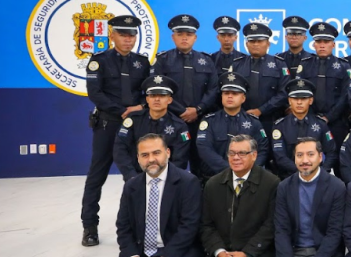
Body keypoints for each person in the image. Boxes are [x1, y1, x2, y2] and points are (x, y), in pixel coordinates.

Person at [81, 15, 151, 247]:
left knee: (137, 176)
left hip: (135, 127)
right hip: (108, 124)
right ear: (112, 35)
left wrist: (140, 108)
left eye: (132, 35)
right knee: (96, 177)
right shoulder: (99, 61)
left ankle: (140, 226)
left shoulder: (142, 62)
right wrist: (122, 111)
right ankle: (89, 227)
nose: (128, 40)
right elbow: (95, 93)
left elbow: (148, 93)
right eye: (123, 34)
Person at [110, 134, 202, 257]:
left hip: (177, 252)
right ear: (138, 158)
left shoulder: (188, 183)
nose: (151, 159)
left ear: (168, 153)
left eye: (156, 153)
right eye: (145, 155)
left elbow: (189, 227)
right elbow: (123, 226)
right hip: (139, 254)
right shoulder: (131, 186)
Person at [151, 15, 218, 179]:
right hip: (171, 120)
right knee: (171, 165)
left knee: (202, 166)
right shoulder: (163, 60)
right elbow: (159, 90)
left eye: (188, 34)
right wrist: (182, 111)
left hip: (200, 121)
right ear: (173, 37)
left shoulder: (206, 60)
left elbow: (214, 89)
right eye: (180, 34)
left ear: (195, 37)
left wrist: (198, 109)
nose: (184, 38)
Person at [199, 135, 280, 257]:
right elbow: (206, 225)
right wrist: (220, 252)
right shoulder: (213, 184)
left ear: (254, 155)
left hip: (256, 254)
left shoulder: (271, 183)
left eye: (242, 153)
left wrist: (246, 254)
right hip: (220, 255)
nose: (236, 158)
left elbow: (270, 226)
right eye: (232, 153)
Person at [274, 137, 346, 257]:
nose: (305, 160)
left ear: (320, 157)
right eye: (299, 155)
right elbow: (281, 229)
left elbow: (335, 231)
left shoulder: (336, 186)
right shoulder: (284, 187)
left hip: (325, 254)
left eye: (310, 155)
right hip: (293, 252)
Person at [114, 75, 191, 181]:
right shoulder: (133, 120)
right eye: (153, 95)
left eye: (162, 95)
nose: (157, 99)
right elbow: (120, 150)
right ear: (147, 99)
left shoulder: (179, 126)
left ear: (169, 100)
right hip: (136, 176)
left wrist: (164, 180)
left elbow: (180, 160)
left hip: (167, 180)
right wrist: (131, 176)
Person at [195, 72, 269, 182]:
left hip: (246, 180)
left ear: (243, 98)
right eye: (226, 93)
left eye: (234, 93)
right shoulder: (209, 121)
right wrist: (231, 170)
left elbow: (262, 150)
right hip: (214, 179)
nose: (230, 96)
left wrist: (247, 171)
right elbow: (204, 149)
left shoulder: (254, 122)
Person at [297, 22, 351, 153]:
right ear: (313, 44)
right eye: (319, 41)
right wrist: (311, 117)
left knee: (338, 160)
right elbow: (300, 93)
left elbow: (346, 96)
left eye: (326, 41)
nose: (322, 45)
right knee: (310, 157)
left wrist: (329, 117)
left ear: (333, 44)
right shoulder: (305, 65)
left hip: (336, 122)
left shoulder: (344, 66)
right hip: (309, 121)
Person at [229, 23, 290, 137]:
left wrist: (261, 110)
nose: (256, 44)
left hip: (271, 120)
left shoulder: (279, 64)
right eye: (252, 41)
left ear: (268, 44)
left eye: (260, 41)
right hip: (241, 119)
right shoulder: (237, 64)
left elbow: (284, 92)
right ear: (246, 44)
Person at [271, 78, 337, 179]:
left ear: (310, 100)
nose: (299, 102)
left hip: (318, 177)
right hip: (289, 177)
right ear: (289, 100)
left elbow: (331, 152)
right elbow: (280, 157)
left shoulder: (321, 124)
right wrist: (303, 172)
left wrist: (319, 172)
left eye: (303, 98)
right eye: (295, 99)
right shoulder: (280, 126)